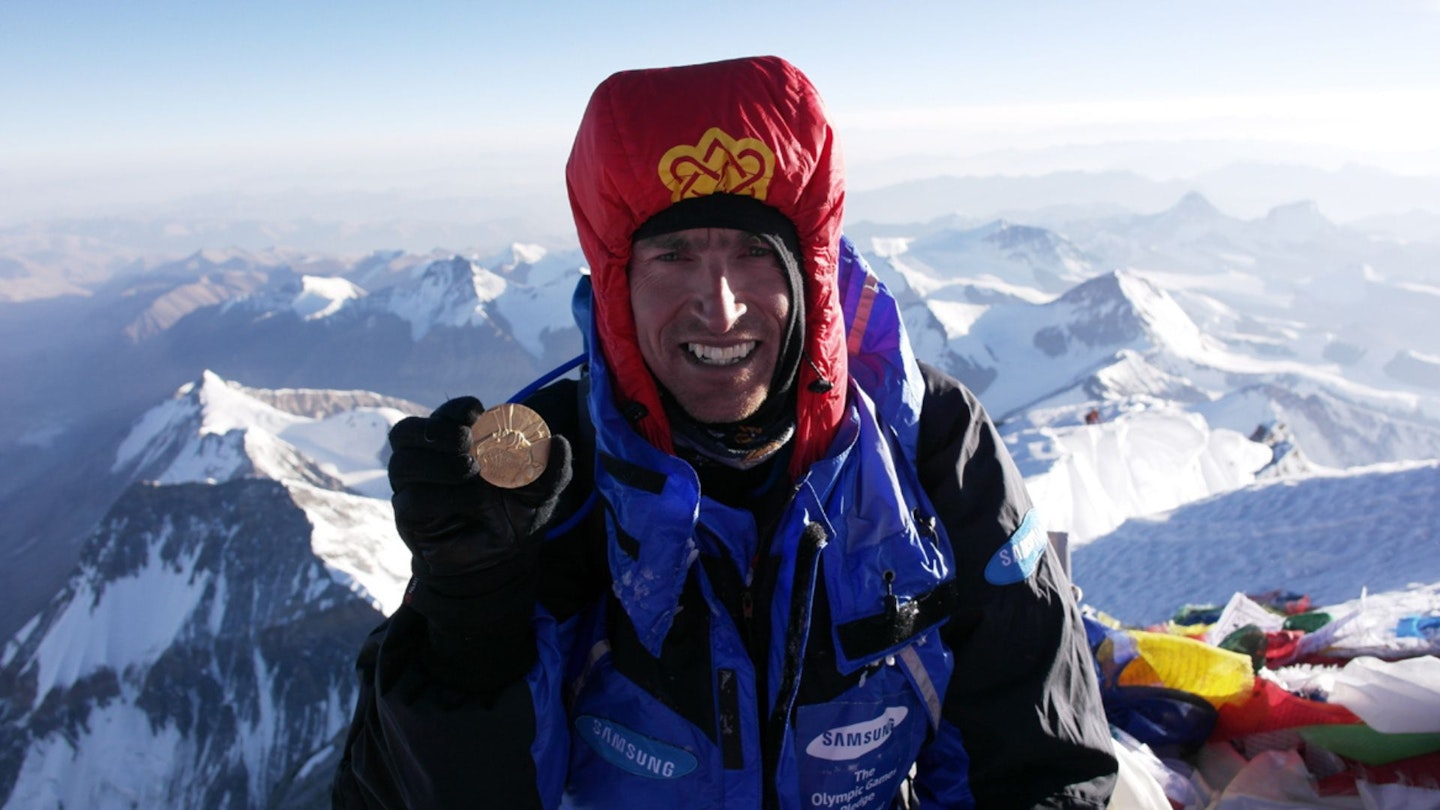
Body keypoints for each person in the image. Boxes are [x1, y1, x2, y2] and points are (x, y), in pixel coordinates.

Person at [332, 56, 1117, 809]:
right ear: (617, 287)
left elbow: (1037, 765)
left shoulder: (930, 446)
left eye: (753, 253)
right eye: (672, 254)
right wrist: (469, 614)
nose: (722, 305)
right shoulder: (547, 485)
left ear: (809, 273)